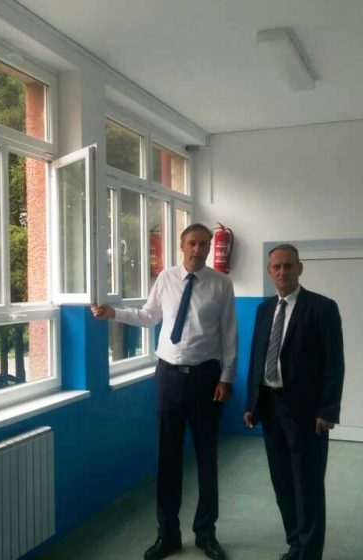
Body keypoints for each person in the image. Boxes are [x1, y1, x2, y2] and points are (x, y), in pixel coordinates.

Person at [92, 223, 236, 560]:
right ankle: (167, 535)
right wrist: (114, 313)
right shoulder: (166, 279)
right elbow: (148, 316)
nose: (198, 249)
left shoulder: (221, 284)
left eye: (204, 244)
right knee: (167, 457)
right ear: (181, 245)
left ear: (209, 247)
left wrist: (226, 377)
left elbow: (229, 333)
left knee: (207, 458)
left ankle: (206, 534)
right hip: (169, 376)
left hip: (205, 378)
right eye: (192, 243)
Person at [243, 244, 345, 560]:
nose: (282, 272)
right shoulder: (263, 310)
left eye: (288, 266)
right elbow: (257, 357)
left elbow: (334, 363)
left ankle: (310, 553)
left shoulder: (322, 308)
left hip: (306, 412)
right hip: (270, 407)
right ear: (269, 271)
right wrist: (251, 403)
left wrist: (327, 409)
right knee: (283, 482)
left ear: (300, 268)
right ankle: (296, 543)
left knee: (308, 483)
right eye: (276, 267)